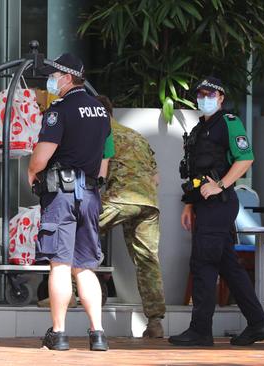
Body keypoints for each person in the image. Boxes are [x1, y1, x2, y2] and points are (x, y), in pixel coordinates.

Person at [168, 77, 264, 346]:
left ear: (221, 97)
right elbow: (196, 173)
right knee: (228, 266)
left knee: (203, 264)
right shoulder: (199, 128)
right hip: (204, 205)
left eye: (210, 94)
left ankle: (200, 330)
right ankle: (258, 324)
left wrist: (221, 185)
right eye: (200, 94)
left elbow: (246, 157)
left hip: (219, 204)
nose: (204, 98)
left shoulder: (229, 122)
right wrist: (190, 205)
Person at [28, 53, 111, 351]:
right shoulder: (101, 110)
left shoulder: (59, 110)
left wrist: (31, 172)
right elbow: (104, 158)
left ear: (67, 77)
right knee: (86, 266)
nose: (51, 79)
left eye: (54, 75)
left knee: (60, 265)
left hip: (61, 194)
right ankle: (98, 334)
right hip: (89, 194)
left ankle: (59, 334)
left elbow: (41, 156)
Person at [95, 95, 166, 338]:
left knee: (79, 230)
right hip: (148, 202)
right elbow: (156, 178)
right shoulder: (137, 136)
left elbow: (98, 174)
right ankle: (155, 321)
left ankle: (75, 292)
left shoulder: (101, 133)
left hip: (120, 197)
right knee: (147, 260)